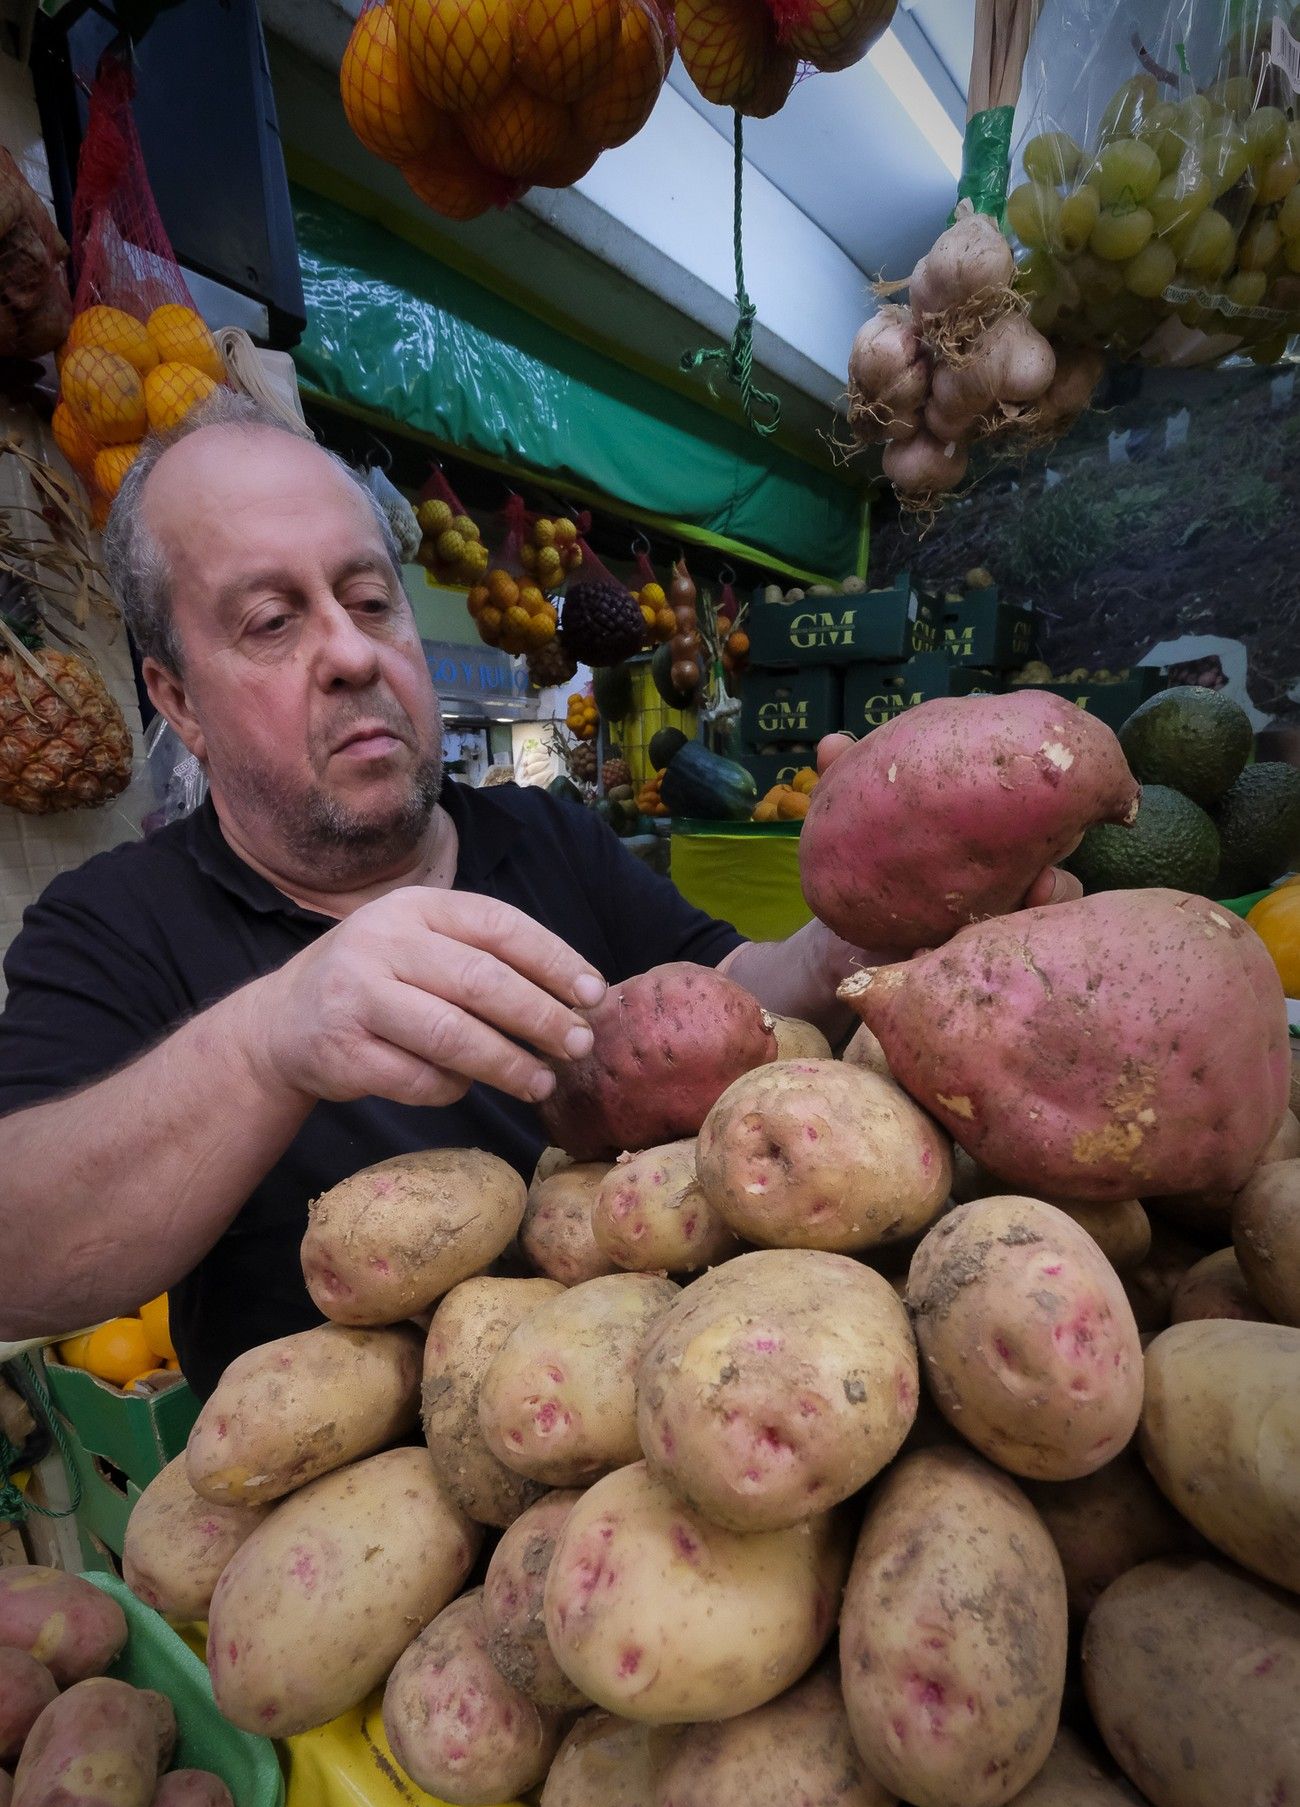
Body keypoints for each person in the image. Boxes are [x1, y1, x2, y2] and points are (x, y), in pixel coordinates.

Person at [0, 397, 1074, 1395]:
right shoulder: (110, 925)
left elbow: (737, 990)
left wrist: (850, 941)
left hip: (652, 1411)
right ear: (178, 700)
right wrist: (267, 1040)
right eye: (272, 622)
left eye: (371, 600)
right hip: (346, 1521)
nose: (349, 653)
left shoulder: (549, 837)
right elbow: (19, 1262)